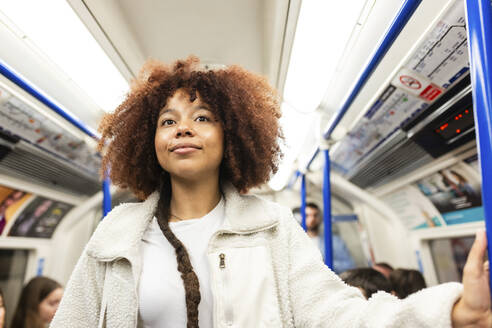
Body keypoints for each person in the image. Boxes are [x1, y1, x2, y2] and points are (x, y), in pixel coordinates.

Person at [51, 56, 492, 327]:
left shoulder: (271, 227)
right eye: (167, 121)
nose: (183, 126)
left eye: (202, 117)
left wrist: (450, 313)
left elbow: (341, 317)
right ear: (150, 142)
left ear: (232, 138)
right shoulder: (116, 234)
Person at [304, 202, 355, 273]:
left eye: (315, 215)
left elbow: (350, 265)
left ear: (320, 218)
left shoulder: (334, 241)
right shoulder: (295, 243)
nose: (312, 219)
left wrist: (325, 263)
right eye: (307, 216)